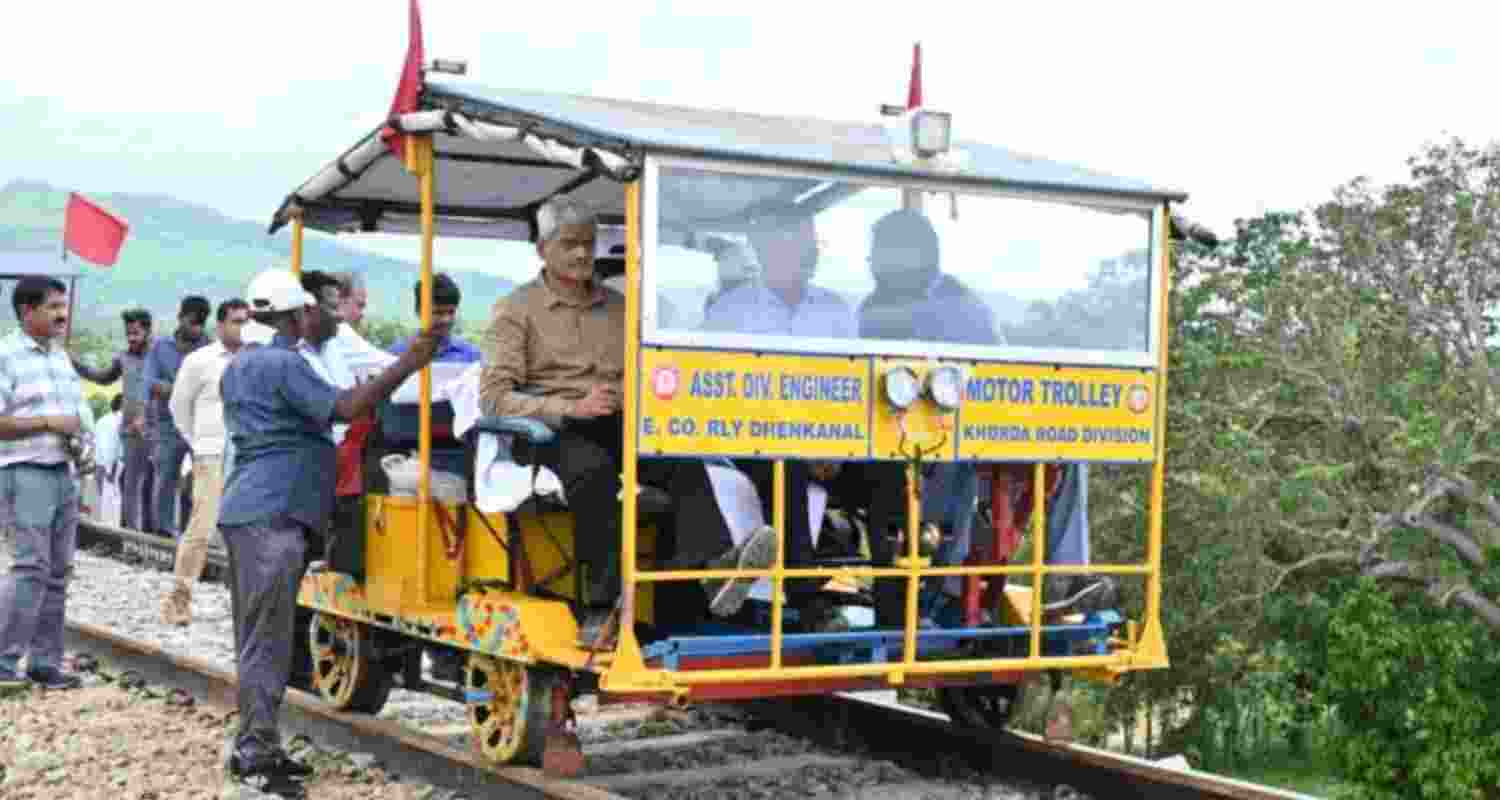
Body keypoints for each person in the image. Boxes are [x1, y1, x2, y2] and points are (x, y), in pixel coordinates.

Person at [217, 268, 437, 796]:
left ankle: (258, 745)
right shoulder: (282, 362)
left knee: (261, 639)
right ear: (294, 315)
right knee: (267, 641)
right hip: (272, 513)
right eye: (308, 311)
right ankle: (255, 756)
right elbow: (344, 407)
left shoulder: (243, 363)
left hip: (258, 509)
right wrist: (409, 363)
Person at [480, 195, 689, 648]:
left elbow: (645, 372)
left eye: (588, 244)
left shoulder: (619, 307)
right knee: (593, 470)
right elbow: (494, 399)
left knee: (681, 459)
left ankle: (702, 581)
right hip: (547, 431)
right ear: (543, 249)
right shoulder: (514, 310)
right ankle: (599, 608)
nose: (581, 254)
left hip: (616, 421)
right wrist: (570, 408)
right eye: (569, 244)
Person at [690, 215, 856, 631]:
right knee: (787, 469)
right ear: (764, 252)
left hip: (830, 441)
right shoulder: (730, 312)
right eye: (793, 246)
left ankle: (905, 606)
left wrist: (837, 445)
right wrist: (799, 442)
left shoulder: (836, 311)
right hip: (753, 438)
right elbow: (712, 389)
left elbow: (853, 390)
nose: (806, 255)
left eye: (809, 246)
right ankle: (807, 602)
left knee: (894, 474)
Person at [0, 276, 86, 691]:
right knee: (31, 566)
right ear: (27, 311)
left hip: (62, 470)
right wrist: (50, 422)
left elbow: (76, 414)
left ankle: (44, 663)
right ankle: (3, 662)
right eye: (53, 307)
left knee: (58, 570)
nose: (61, 314)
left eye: (62, 306)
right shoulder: (6, 355)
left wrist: (81, 443)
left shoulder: (59, 357)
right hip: (25, 470)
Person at [160, 298, 250, 626]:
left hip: (248, 455)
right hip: (211, 453)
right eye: (236, 321)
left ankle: (244, 605)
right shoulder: (200, 361)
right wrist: (199, 442)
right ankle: (179, 600)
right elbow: (178, 407)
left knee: (247, 530)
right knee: (202, 526)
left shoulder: (255, 359)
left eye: (247, 321)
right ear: (220, 325)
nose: (242, 328)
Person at [72, 308, 154, 532]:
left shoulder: (158, 357)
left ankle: (153, 532)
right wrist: (75, 364)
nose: (131, 338)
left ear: (148, 331)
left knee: (152, 483)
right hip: (131, 430)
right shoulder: (123, 358)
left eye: (136, 333)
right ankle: (130, 533)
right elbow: (103, 377)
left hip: (157, 429)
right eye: (128, 334)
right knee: (130, 482)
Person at [143, 296, 211, 536]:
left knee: (202, 480)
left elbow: (212, 388)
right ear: (180, 318)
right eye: (192, 322)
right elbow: (150, 383)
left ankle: (194, 531)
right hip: (167, 425)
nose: (196, 329)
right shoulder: (160, 348)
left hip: (201, 426)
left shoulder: (210, 349)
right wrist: (185, 391)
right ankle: (164, 531)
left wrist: (170, 389)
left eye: (201, 323)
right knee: (165, 479)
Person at [390, 272, 481, 362]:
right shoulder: (395, 355)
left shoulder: (471, 356)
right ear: (418, 311)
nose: (446, 319)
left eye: (451, 312)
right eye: (438, 313)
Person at [93, 394, 124, 527]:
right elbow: (110, 446)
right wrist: (110, 468)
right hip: (112, 465)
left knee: (103, 502)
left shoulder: (102, 420)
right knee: (113, 504)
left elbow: (96, 443)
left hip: (100, 465)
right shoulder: (118, 421)